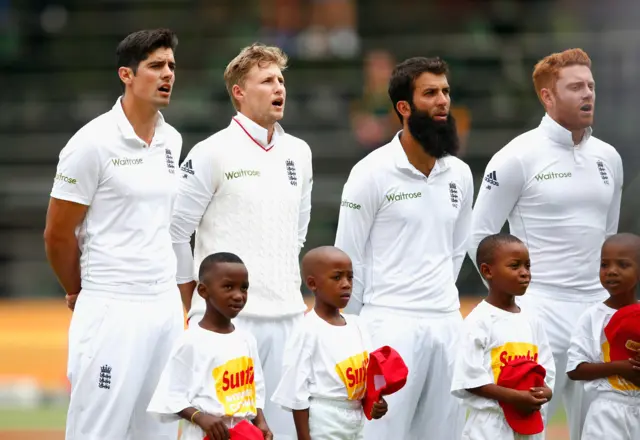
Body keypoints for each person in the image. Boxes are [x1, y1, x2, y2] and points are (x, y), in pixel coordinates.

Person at [467, 48, 624, 440]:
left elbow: (608, 238)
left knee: (603, 429)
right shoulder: (516, 157)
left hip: (596, 315)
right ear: (547, 96)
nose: (587, 94)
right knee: (526, 428)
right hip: (538, 309)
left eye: (590, 85)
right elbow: (479, 237)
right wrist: (509, 308)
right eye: (575, 87)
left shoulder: (610, 158)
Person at [43, 29, 184, 440]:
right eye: (156, 66)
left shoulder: (172, 140)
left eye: (171, 66)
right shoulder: (91, 143)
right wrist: (76, 289)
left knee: (157, 429)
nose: (167, 74)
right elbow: (56, 234)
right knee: (97, 430)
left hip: (163, 307)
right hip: (110, 306)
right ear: (126, 74)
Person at [170, 42, 313, 439]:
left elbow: (296, 233)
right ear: (239, 92)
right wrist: (193, 300)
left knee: (283, 433)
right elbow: (176, 232)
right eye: (267, 80)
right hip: (227, 323)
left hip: (287, 319)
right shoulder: (210, 152)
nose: (278, 87)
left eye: (281, 79)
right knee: (222, 433)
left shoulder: (299, 153)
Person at [334, 56, 472, 440]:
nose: (443, 100)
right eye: (430, 93)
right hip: (388, 326)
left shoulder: (459, 173)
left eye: (445, 91)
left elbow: (457, 249)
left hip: (447, 325)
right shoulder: (370, 173)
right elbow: (347, 258)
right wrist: (356, 335)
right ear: (404, 107)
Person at [148, 252, 272, 440]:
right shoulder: (191, 341)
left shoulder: (247, 339)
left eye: (244, 288)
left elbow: (255, 388)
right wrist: (200, 418)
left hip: (244, 433)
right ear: (203, 291)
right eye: (228, 287)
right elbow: (170, 394)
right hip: (206, 434)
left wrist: (260, 422)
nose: (238, 296)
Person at [271, 246, 388, 440]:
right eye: (337, 277)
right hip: (324, 421)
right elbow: (296, 392)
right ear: (312, 283)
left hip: (357, 420)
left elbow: (369, 375)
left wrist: (377, 402)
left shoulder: (358, 325)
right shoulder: (307, 329)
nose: (346, 284)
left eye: (350, 277)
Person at [451, 233, 555, 440]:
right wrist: (514, 397)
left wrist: (544, 393)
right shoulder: (479, 321)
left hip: (528, 423)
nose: (524, 273)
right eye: (515, 266)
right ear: (487, 271)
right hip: (490, 427)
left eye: (528, 266)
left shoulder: (532, 320)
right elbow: (469, 379)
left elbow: (546, 370)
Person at [566, 233, 640, 440]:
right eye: (604, 265)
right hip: (607, 412)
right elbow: (574, 369)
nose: (612, 271)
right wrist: (621, 367)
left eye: (623, 265)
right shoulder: (592, 317)